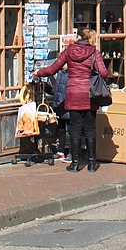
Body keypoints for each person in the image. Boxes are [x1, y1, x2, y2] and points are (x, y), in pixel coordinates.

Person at [36, 28, 107, 172]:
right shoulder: (94, 52)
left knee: (74, 129)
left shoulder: (69, 51)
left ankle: (75, 164)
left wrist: (38, 73)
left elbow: (52, 70)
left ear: (78, 38)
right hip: (89, 95)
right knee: (90, 129)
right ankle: (92, 164)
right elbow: (104, 73)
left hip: (73, 95)